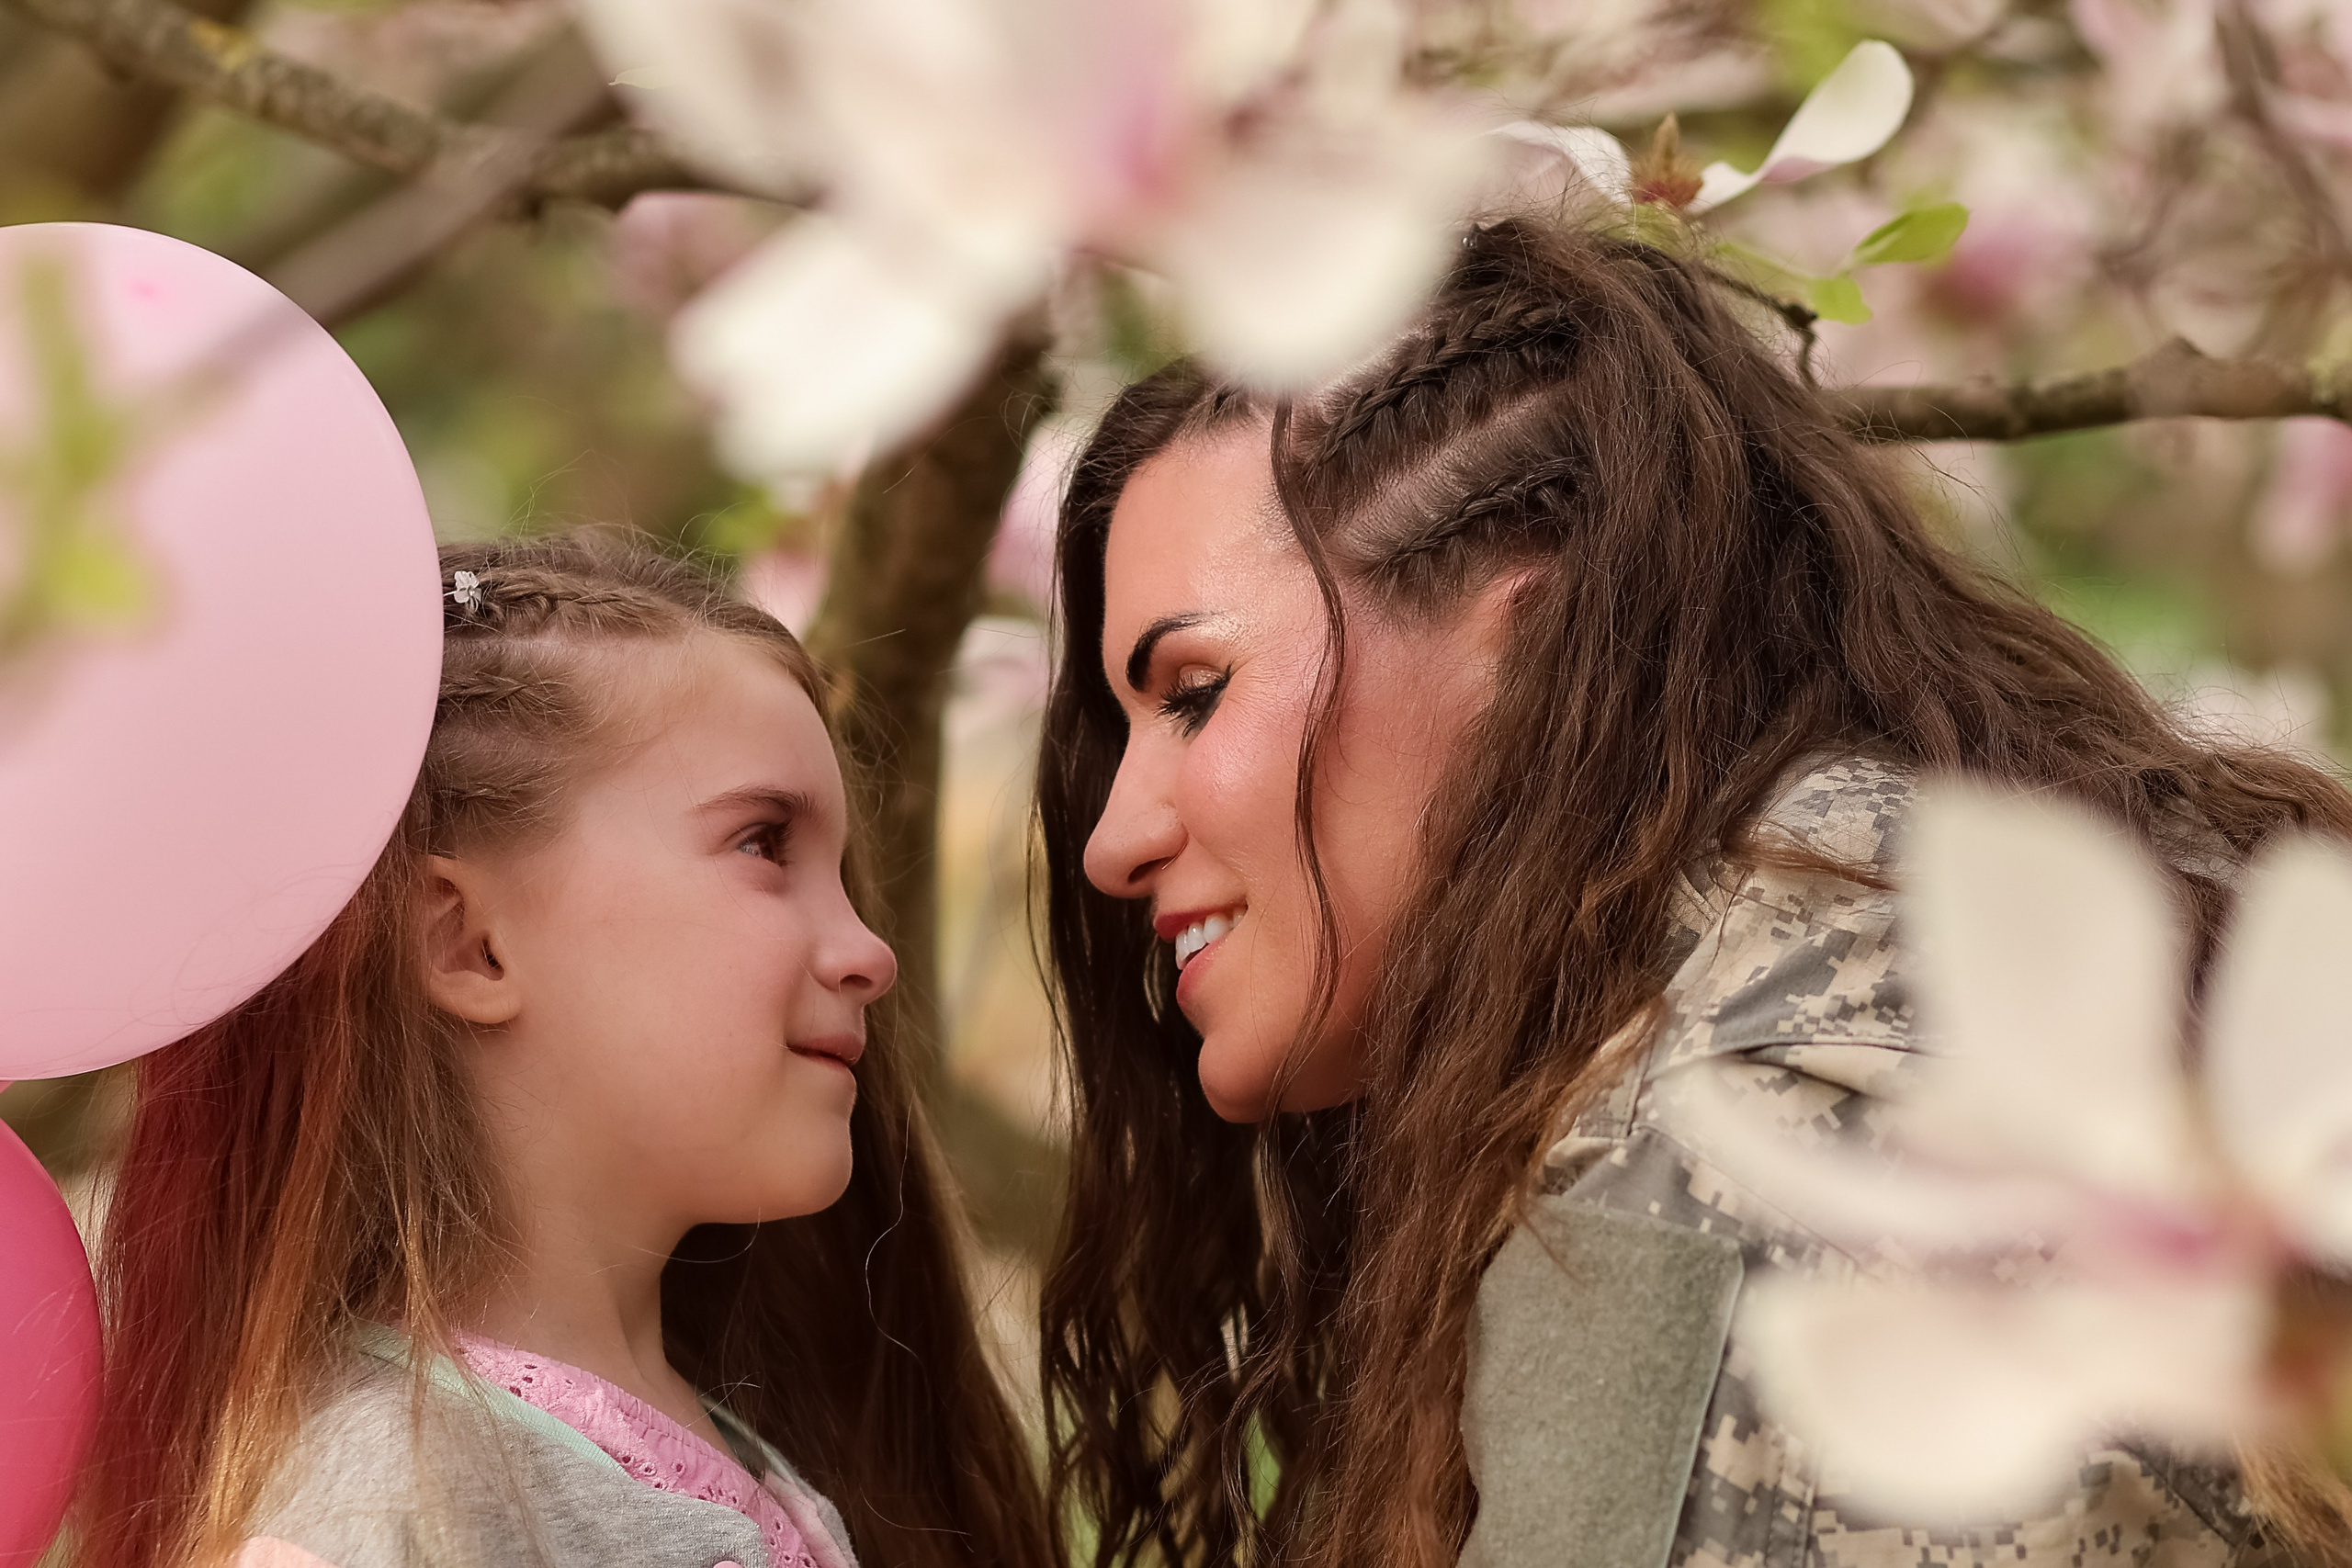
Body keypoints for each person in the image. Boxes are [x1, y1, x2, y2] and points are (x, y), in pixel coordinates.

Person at [1035, 219, 2352, 1567]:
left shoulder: (1716, 1164)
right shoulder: (1942, 921)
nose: (1114, 837)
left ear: (1536, 650)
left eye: (1194, 694)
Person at [74, 537, 1053, 1568]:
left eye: (842, 874)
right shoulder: (381, 1508)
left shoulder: (752, 1456)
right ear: (468, 942)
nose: (870, 954)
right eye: (764, 843)